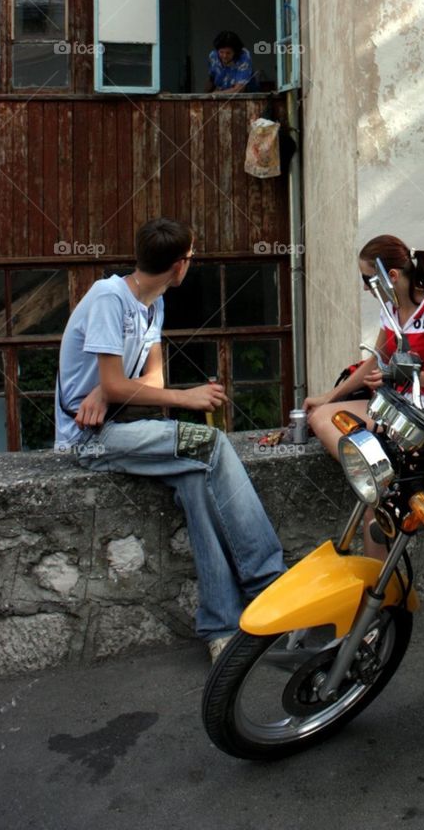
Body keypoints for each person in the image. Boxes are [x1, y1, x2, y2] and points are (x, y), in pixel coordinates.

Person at [54, 218, 284, 662]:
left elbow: (148, 376)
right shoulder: (109, 298)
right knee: (211, 445)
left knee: (196, 482)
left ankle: (220, 628)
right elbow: (136, 385)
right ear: (180, 266)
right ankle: (268, 582)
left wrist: (108, 387)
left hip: (121, 423)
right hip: (91, 439)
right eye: (191, 259)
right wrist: (180, 397)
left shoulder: (152, 304)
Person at [303, 234, 424, 459]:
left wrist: (404, 376)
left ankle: (383, 483)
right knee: (321, 416)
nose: (366, 289)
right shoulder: (390, 309)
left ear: (391, 276)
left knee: (404, 451)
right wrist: (329, 397)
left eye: (367, 280)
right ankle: (374, 479)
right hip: (398, 405)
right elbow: (376, 360)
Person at [205, 30, 256, 94]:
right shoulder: (213, 56)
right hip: (222, 93)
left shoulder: (244, 56)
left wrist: (216, 94)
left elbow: (239, 89)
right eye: (221, 52)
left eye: (228, 53)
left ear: (235, 51)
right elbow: (211, 79)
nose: (224, 56)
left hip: (247, 96)